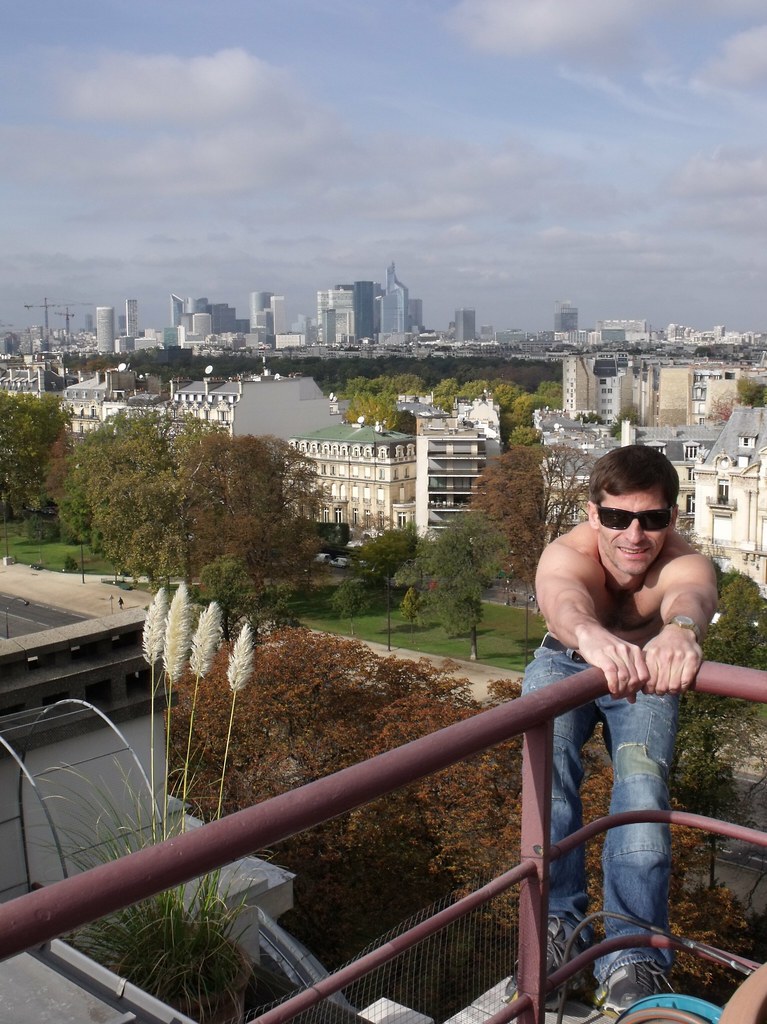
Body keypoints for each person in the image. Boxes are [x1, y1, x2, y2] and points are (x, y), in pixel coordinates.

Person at [512, 444, 718, 1016]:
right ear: (591, 513)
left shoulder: (684, 559)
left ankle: (631, 956)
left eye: (651, 519)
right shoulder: (568, 552)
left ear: (671, 519)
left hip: (648, 668)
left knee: (643, 792)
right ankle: (557, 925)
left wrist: (679, 630)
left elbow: (691, 595)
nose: (634, 535)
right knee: (547, 775)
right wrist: (589, 634)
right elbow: (563, 598)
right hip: (568, 659)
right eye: (616, 517)